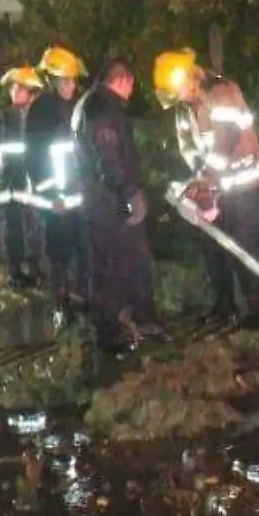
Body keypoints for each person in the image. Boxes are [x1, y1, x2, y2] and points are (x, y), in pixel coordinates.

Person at [155, 48, 259, 329]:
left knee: (243, 248)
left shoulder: (221, 92)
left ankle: (256, 312)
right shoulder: (184, 111)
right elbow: (189, 149)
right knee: (212, 248)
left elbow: (226, 140)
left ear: (188, 79)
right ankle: (224, 307)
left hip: (245, 184)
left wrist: (207, 180)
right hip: (217, 188)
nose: (179, 99)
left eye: (178, 92)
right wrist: (199, 184)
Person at [72, 57, 163, 352]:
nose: (131, 93)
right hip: (110, 204)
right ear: (122, 81)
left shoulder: (87, 104)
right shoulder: (103, 109)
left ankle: (116, 326)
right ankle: (127, 327)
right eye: (131, 86)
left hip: (95, 203)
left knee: (106, 266)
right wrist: (131, 193)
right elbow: (110, 158)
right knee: (130, 263)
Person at [26, 45, 88, 307]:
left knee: (81, 245)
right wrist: (52, 195)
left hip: (79, 193)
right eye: (65, 80)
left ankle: (82, 292)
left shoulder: (78, 104)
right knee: (58, 249)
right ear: (52, 80)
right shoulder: (40, 110)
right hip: (56, 199)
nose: (71, 85)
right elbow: (36, 158)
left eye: (73, 79)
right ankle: (61, 297)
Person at [0, 66, 44, 288]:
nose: (15, 92)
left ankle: (35, 271)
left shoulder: (39, 120)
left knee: (35, 233)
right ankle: (15, 274)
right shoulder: (1, 119)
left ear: (32, 92)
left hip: (31, 189)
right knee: (12, 233)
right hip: (8, 188)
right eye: (14, 88)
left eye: (20, 88)